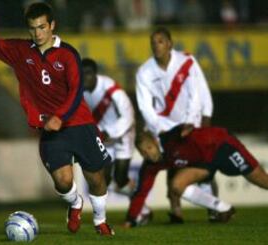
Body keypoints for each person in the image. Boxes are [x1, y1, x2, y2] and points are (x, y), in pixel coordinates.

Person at [0, 3, 114, 236]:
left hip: (79, 123)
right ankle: (75, 203)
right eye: (33, 28)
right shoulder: (22, 52)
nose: (38, 33)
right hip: (50, 128)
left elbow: (76, 90)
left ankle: (100, 220)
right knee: (63, 182)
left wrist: (60, 116)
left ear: (52, 25)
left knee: (96, 178)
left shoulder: (68, 53)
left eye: (42, 27)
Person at [135, 26, 217, 223]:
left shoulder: (187, 62)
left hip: (192, 123)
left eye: (161, 41)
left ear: (170, 44)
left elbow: (199, 91)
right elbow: (145, 107)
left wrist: (204, 115)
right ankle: (176, 210)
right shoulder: (144, 72)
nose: (156, 46)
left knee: (203, 168)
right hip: (165, 127)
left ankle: (214, 208)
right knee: (171, 165)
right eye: (153, 43)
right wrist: (159, 128)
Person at [125, 125, 268, 227]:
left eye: (149, 148)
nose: (148, 154)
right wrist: (130, 220)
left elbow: (182, 129)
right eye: (143, 152)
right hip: (204, 164)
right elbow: (141, 192)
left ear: (156, 143)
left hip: (222, 145)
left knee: (260, 180)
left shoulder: (169, 140)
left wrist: (185, 129)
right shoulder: (150, 165)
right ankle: (224, 208)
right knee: (176, 185)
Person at [82, 58, 136, 196]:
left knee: (120, 178)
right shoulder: (79, 92)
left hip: (123, 133)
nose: (85, 77)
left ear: (95, 73)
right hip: (103, 137)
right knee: (102, 179)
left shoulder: (110, 87)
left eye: (88, 73)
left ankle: (139, 203)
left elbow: (128, 114)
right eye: (81, 74)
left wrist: (110, 131)